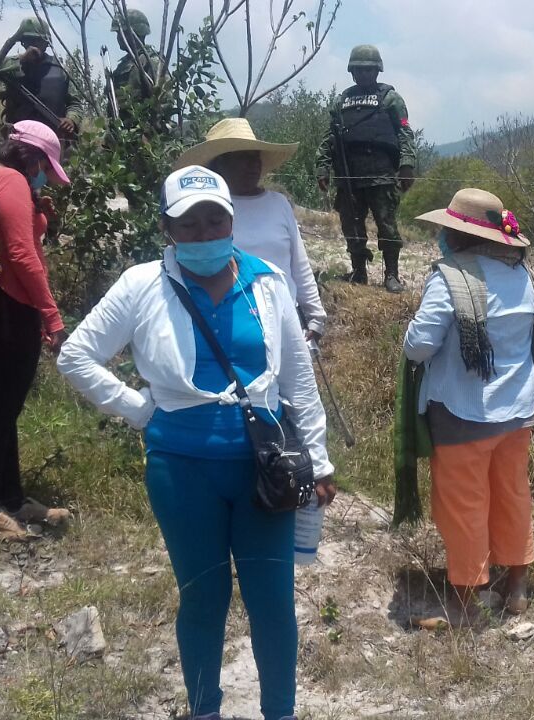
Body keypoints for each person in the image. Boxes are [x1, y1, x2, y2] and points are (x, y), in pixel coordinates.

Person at [56, 166, 336, 720]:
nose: (206, 234)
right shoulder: (142, 285)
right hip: (181, 471)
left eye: (216, 219)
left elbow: (298, 379)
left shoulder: (267, 282)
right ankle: (205, 708)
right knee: (203, 598)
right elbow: (76, 356)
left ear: (232, 219)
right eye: (190, 224)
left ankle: (280, 712)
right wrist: (137, 408)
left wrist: (321, 459)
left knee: (273, 602)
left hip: (264, 468)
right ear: (168, 228)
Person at [403, 188, 534, 625]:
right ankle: (517, 586)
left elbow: (420, 344)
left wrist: (408, 341)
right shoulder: (525, 277)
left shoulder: (451, 276)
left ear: (456, 234)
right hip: (518, 410)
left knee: (463, 502)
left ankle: (467, 597)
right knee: (512, 494)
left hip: (462, 410)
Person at [0, 120, 71, 540]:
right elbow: (22, 255)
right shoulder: (10, 182)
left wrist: (39, 215)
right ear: (34, 157)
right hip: (11, 305)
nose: (46, 175)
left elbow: (13, 236)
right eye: (46, 166)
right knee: (2, 410)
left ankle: (11, 499)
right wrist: (52, 316)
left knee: (4, 407)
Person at [175, 117, 328, 341]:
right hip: (228, 325)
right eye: (243, 158)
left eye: (256, 157)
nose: (254, 164)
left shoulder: (279, 204)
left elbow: (299, 264)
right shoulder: (207, 213)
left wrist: (315, 317)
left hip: (284, 322)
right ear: (219, 164)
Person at [316, 44, 416, 293]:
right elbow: (331, 136)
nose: (364, 75)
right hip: (349, 176)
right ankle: (358, 270)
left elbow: (404, 131)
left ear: (377, 71)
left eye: (369, 70)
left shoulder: (390, 98)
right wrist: (322, 166)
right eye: (359, 70)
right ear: (352, 71)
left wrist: (407, 164)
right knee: (351, 225)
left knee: (387, 226)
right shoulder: (342, 100)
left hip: (381, 175)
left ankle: (391, 274)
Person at [0, 17, 82, 138]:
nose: (33, 45)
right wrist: (21, 59)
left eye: (37, 41)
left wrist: (71, 120)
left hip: (51, 138)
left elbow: (75, 104)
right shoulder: (12, 67)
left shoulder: (61, 70)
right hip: (17, 136)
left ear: (46, 43)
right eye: (29, 40)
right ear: (23, 42)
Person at [109, 9, 160, 123]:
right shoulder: (123, 65)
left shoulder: (151, 61)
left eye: (121, 33)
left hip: (147, 135)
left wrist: (148, 132)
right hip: (124, 135)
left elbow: (164, 102)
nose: (118, 38)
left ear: (134, 33)